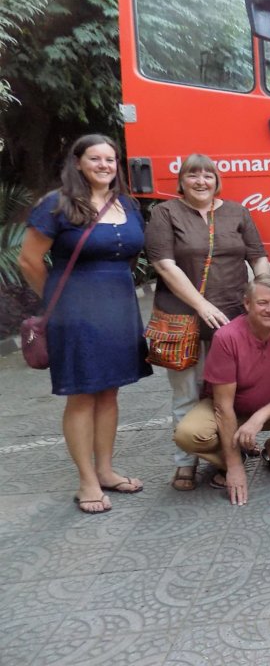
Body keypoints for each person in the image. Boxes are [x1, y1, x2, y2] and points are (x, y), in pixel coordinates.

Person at [19, 134, 152, 514]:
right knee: (82, 394)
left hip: (119, 309)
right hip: (75, 312)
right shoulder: (56, 204)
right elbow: (29, 260)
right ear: (78, 163)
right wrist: (59, 302)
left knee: (109, 392)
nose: (104, 165)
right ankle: (86, 481)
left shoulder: (125, 203)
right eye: (95, 158)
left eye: (110, 159)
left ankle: (106, 470)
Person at [145, 154, 270, 492]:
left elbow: (258, 258)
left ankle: (228, 451)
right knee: (186, 393)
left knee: (229, 393)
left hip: (233, 319)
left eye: (208, 175)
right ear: (181, 181)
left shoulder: (237, 212)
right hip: (183, 319)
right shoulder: (165, 212)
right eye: (193, 175)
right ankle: (185, 462)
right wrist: (201, 305)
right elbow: (164, 264)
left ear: (217, 180)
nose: (201, 181)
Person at [173, 273, 270, 505]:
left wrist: (259, 417)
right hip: (229, 409)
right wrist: (233, 467)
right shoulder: (227, 337)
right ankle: (231, 458)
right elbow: (222, 406)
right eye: (262, 303)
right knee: (188, 435)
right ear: (247, 304)